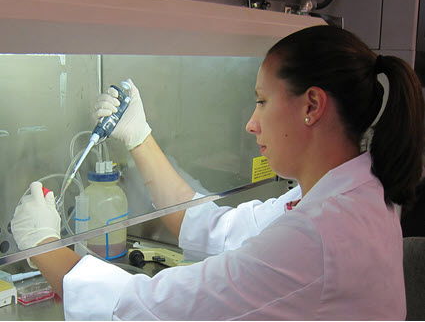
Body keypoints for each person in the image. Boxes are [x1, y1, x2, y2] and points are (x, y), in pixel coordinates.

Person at [11, 25, 424, 320]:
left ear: (312, 106)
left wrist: (42, 243)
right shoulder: (356, 193)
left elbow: (147, 307)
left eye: (262, 101)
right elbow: (217, 230)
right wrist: (139, 137)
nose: (251, 123)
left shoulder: (320, 236)